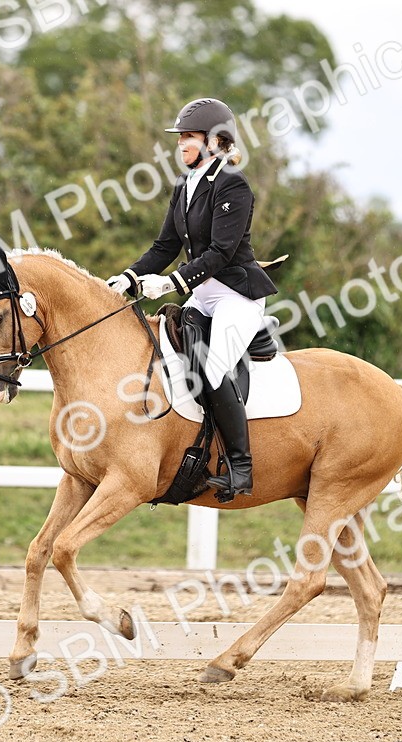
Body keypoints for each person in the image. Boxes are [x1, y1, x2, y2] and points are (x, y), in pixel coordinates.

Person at [106, 97, 277, 500]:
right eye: (180, 137)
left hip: (236, 295)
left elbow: (219, 252)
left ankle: (241, 467)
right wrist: (128, 276)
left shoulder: (234, 184)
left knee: (214, 371)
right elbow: (164, 246)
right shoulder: (185, 186)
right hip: (202, 296)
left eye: (188, 137)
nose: (180, 144)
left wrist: (169, 285)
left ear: (216, 142)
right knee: (175, 356)